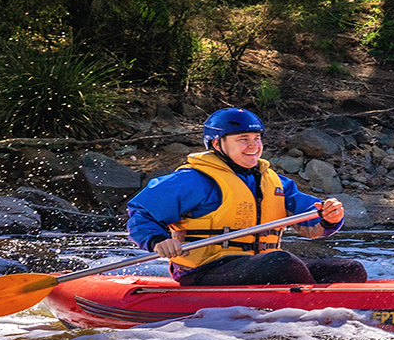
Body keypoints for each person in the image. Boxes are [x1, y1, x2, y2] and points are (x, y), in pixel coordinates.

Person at [125, 108, 367, 286]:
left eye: (256, 138)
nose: (254, 146)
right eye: (243, 140)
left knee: (350, 269)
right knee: (282, 263)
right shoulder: (193, 180)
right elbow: (142, 211)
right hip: (204, 270)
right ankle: (319, 314)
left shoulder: (274, 182)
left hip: (259, 266)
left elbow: (310, 220)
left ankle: (336, 309)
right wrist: (157, 239)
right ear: (217, 144)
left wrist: (328, 217)